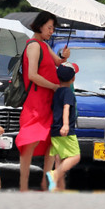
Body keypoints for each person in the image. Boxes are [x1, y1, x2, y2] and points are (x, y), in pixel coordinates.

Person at [15, 11, 70, 192]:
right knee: (29, 142)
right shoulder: (34, 46)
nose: (51, 31)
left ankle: (45, 184)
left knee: (49, 143)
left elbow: (58, 63)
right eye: (49, 27)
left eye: (53, 28)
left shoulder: (44, 45)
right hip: (37, 101)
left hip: (48, 102)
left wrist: (64, 56)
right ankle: (23, 184)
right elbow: (32, 75)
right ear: (39, 25)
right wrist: (54, 87)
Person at [45, 63, 81, 191]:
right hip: (65, 130)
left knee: (59, 158)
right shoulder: (68, 93)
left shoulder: (57, 92)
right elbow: (66, 108)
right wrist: (66, 125)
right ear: (73, 79)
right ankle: (54, 175)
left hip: (55, 129)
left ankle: (58, 187)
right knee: (75, 157)